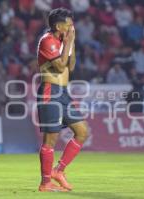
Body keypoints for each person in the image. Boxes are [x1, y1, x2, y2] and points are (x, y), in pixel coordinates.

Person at [36, 8, 88, 192]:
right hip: (50, 91)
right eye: (69, 24)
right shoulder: (47, 41)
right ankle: (45, 182)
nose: (72, 27)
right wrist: (68, 43)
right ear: (58, 26)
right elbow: (59, 66)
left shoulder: (62, 40)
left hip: (63, 93)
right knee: (50, 140)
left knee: (82, 132)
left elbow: (70, 66)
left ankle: (59, 171)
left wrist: (70, 43)